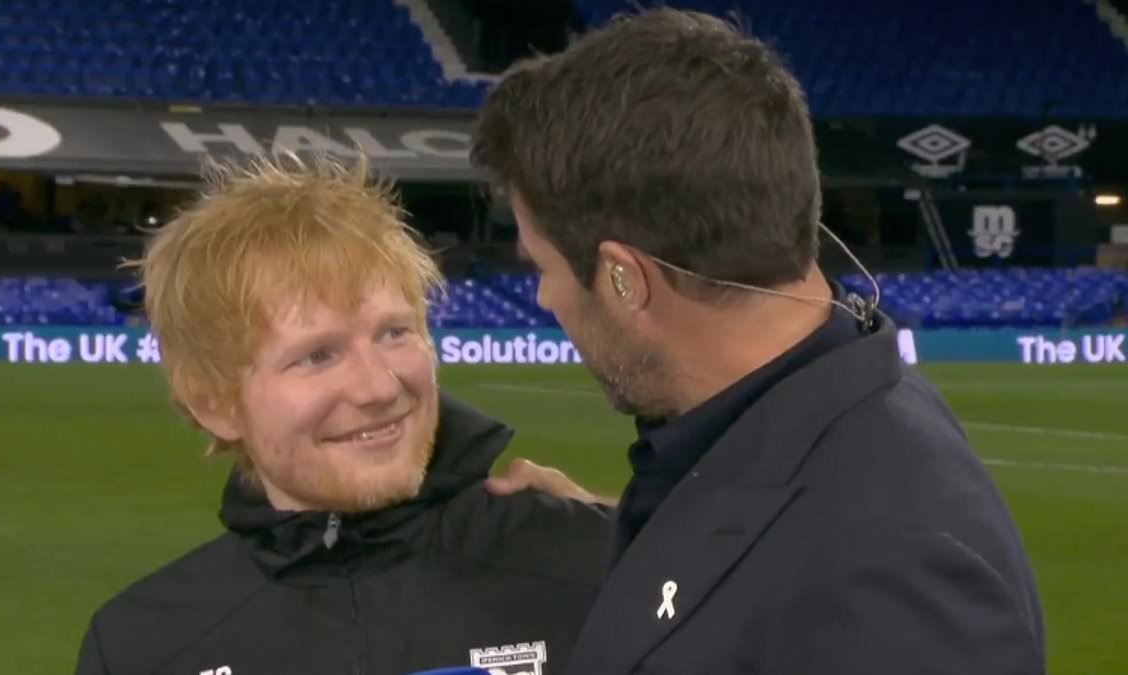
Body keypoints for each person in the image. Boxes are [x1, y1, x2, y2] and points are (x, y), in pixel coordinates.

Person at [472, 9, 1046, 675]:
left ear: (626, 278)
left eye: (543, 267)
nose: (543, 298)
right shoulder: (815, 390)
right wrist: (631, 523)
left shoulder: (893, 583)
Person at [74, 153, 611, 675]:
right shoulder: (141, 648)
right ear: (215, 403)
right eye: (317, 355)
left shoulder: (600, 564)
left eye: (394, 333)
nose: (378, 386)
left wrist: (648, 534)